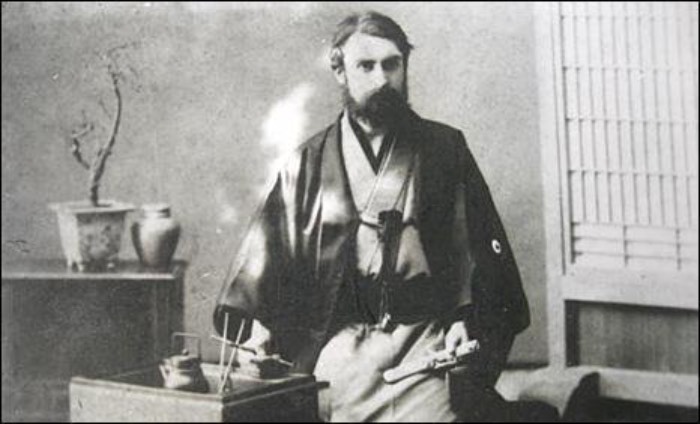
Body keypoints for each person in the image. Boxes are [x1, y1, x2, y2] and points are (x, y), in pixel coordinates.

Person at [214, 11, 529, 422]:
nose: (382, 79)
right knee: (326, 408)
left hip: (426, 337)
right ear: (339, 71)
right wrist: (259, 323)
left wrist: (463, 319)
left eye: (391, 64)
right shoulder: (309, 163)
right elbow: (267, 258)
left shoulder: (444, 149)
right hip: (342, 340)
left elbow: (474, 252)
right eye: (366, 66)